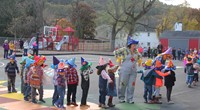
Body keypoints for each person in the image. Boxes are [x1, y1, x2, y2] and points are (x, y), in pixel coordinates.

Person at [114, 36, 142, 103]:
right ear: (130, 45)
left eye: (135, 45)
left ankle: (130, 99)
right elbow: (115, 52)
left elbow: (139, 58)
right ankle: (121, 97)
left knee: (131, 85)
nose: (135, 46)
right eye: (133, 45)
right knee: (123, 84)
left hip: (133, 70)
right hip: (124, 70)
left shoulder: (136, 52)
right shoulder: (124, 49)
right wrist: (119, 59)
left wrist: (140, 61)